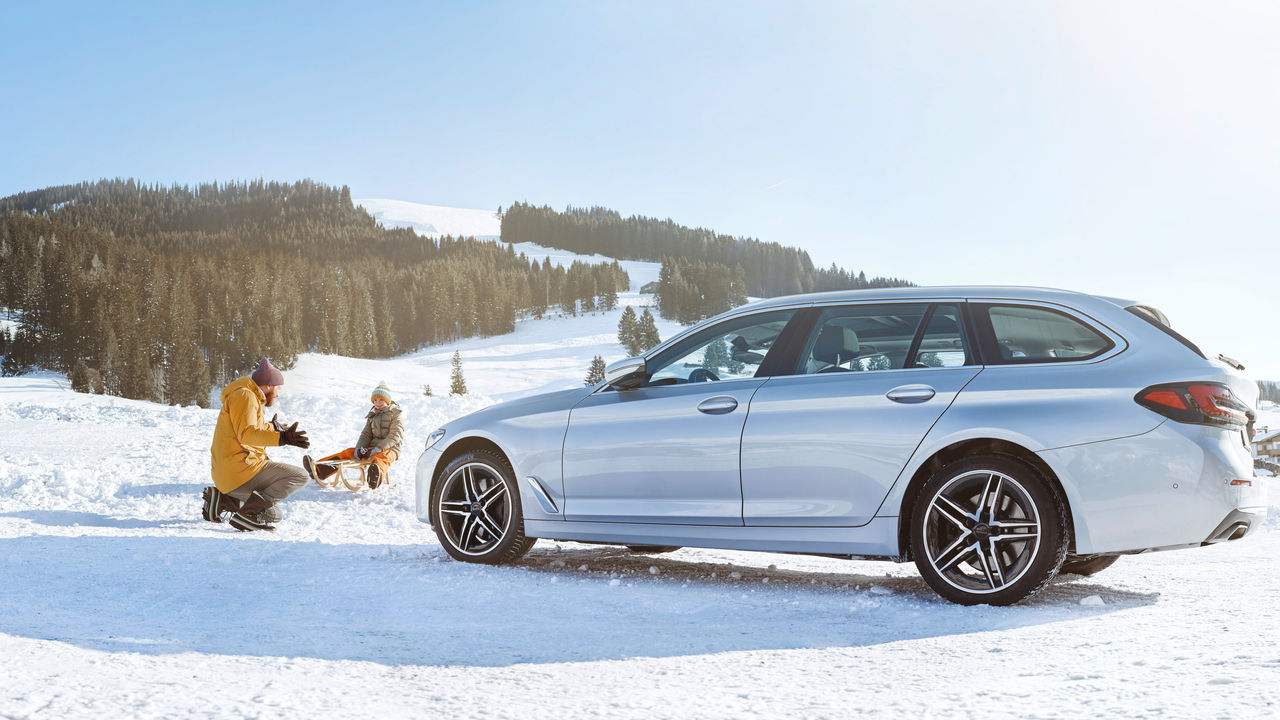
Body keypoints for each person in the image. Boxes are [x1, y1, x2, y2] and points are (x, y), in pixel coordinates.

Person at [202, 358, 311, 532]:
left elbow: (249, 427)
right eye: (278, 388)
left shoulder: (246, 396)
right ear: (268, 385)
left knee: (274, 514)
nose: (278, 393)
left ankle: (222, 501)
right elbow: (247, 434)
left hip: (231, 473)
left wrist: (272, 427)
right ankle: (247, 515)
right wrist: (282, 438)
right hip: (239, 470)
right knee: (300, 476)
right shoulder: (245, 396)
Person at [304, 381, 403, 489]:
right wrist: (359, 449)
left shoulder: (395, 414)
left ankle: (375, 477)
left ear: (387, 401)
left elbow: (395, 436)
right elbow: (365, 435)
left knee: (382, 457)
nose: (378, 403)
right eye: (375, 400)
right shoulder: (373, 415)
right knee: (348, 452)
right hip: (372, 448)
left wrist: (378, 449)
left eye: (381, 400)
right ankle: (318, 470)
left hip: (390, 449)